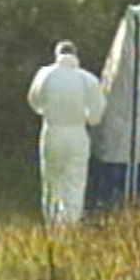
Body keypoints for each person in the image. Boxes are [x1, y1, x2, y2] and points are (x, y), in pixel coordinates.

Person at [27, 40, 106, 225]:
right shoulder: (87, 79)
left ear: (57, 55)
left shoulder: (45, 74)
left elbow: (34, 101)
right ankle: (70, 226)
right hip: (77, 133)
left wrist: (46, 111)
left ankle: (52, 224)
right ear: (76, 55)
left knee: (51, 181)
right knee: (75, 182)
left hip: (52, 131)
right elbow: (97, 113)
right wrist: (86, 117)